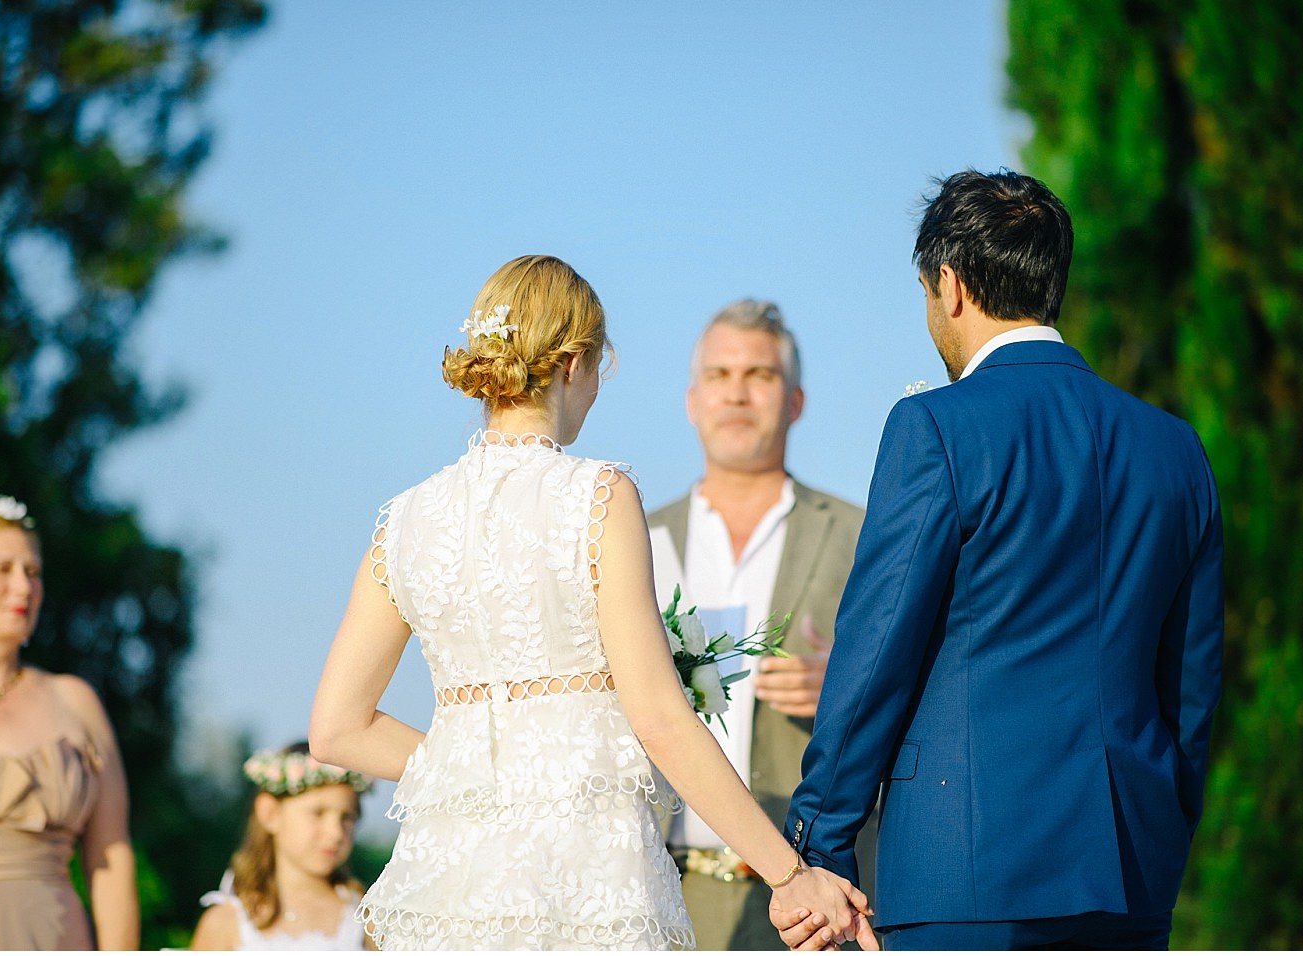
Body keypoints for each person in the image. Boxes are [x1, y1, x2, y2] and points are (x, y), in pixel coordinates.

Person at [309, 255, 874, 951]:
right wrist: (790, 875)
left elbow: (336, 728)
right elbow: (661, 717)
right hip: (584, 877)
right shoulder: (596, 498)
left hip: (447, 882)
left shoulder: (404, 520)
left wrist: (481, 771)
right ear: (574, 363)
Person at [776, 169, 1224, 951]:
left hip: (967, 873)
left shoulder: (936, 428)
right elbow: (1191, 681)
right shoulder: (1174, 448)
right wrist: (1163, 824)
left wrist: (818, 842)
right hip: (1133, 868)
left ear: (948, 285)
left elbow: (877, 651)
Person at [647, 299, 876, 950]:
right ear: (692, 400)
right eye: (719, 376)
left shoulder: (864, 536)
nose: (737, 393)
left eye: (760, 375)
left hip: (811, 904)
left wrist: (851, 690)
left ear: (796, 400)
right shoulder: (632, 539)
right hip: (661, 893)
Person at [0, 491, 140, 950]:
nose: (24, 587)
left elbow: (111, 857)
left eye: (33, 572)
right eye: (3, 570)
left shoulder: (75, 701)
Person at [191, 741, 374, 950]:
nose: (335, 833)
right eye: (318, 813)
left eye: (347, 817)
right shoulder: (224, 923)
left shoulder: (366, 919)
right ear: (270, 813)